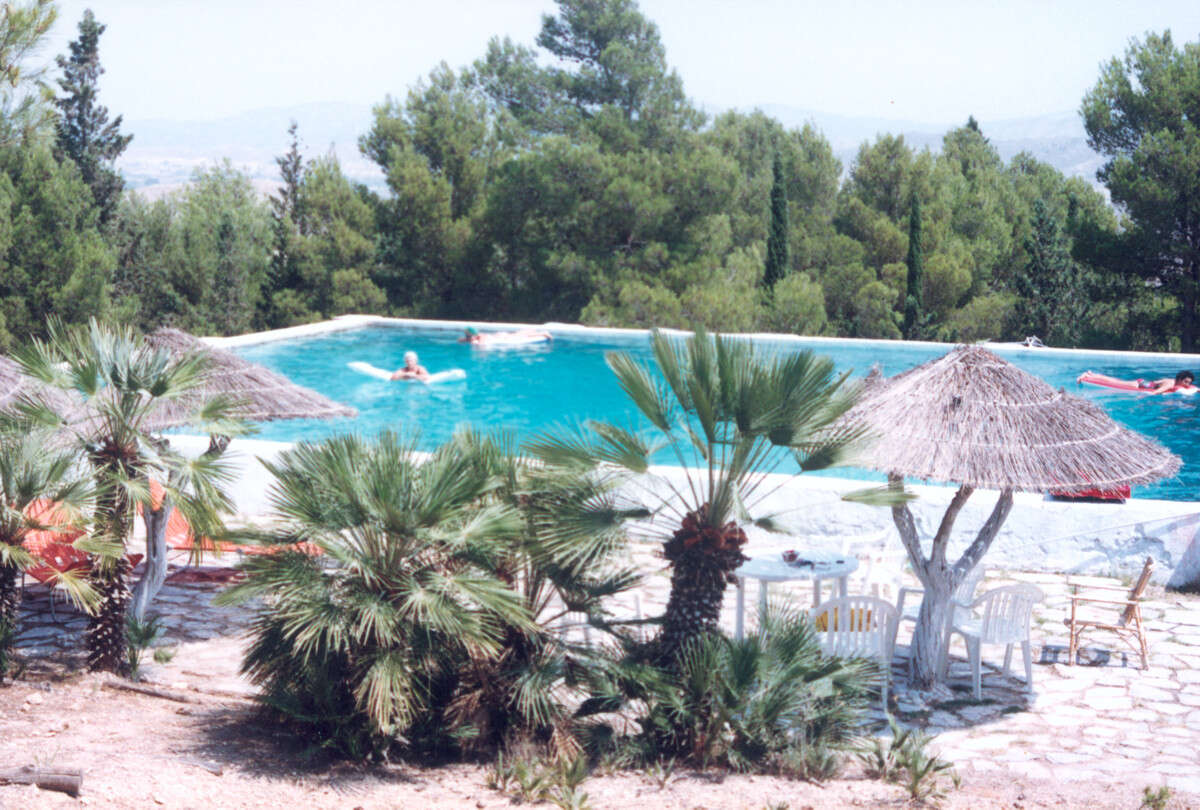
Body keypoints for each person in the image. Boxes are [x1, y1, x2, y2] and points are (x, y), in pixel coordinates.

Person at [1079, 369, 1196, 394]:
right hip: (1140, 385)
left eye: (1189, 383)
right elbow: (1156, 392)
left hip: (1145, 383)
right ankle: (1089, 376)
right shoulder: (1170, 384)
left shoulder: (1173, 381)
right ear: (1179, 380)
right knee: (1116, 382)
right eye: (1186, 382)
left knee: (1117, 381)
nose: (1187, 385)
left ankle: (1092, 374)